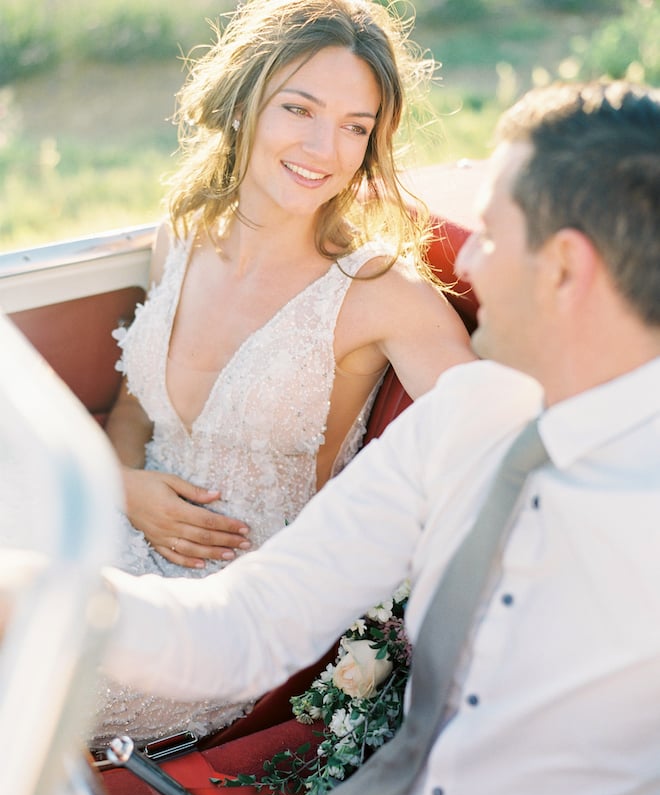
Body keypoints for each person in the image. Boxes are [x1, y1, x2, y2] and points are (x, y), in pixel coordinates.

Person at [101, 78, 660, 795]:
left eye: (491, 237)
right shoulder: (463, 419)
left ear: (565, 268)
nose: (463, 261)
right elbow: (250, 621)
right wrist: (53, 599)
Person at [91, 0, 474, 748]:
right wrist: (124, 487)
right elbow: (135, 414)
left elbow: (496, 456)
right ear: (244, 102)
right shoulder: (183, 235)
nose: (324, 148)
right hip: (117, 528)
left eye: (355, 127)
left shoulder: (380, 296)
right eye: (299, 108)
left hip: (230, 619)